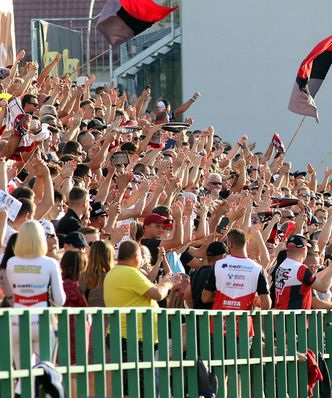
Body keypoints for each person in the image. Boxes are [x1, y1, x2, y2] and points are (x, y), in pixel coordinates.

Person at [103, 240, 180, 396]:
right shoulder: (130, 273)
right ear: (137, 257)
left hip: (128, 336)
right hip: (133, 337)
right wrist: (168, 283)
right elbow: (158, 294)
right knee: (141, 387)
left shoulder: (113, 272)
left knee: (131, 385)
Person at [6, 220, 66, 396]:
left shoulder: (11, 263)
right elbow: (60, 300)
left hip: (17, 321)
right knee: (47, 372)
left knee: (23, 376)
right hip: (41, 322)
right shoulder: (49, 263)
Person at [274, 234, 332, 309]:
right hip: (297, 319)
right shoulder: (300, 269)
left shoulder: (281, 266)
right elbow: (324, 288)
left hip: (284, 317)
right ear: (304, 249)